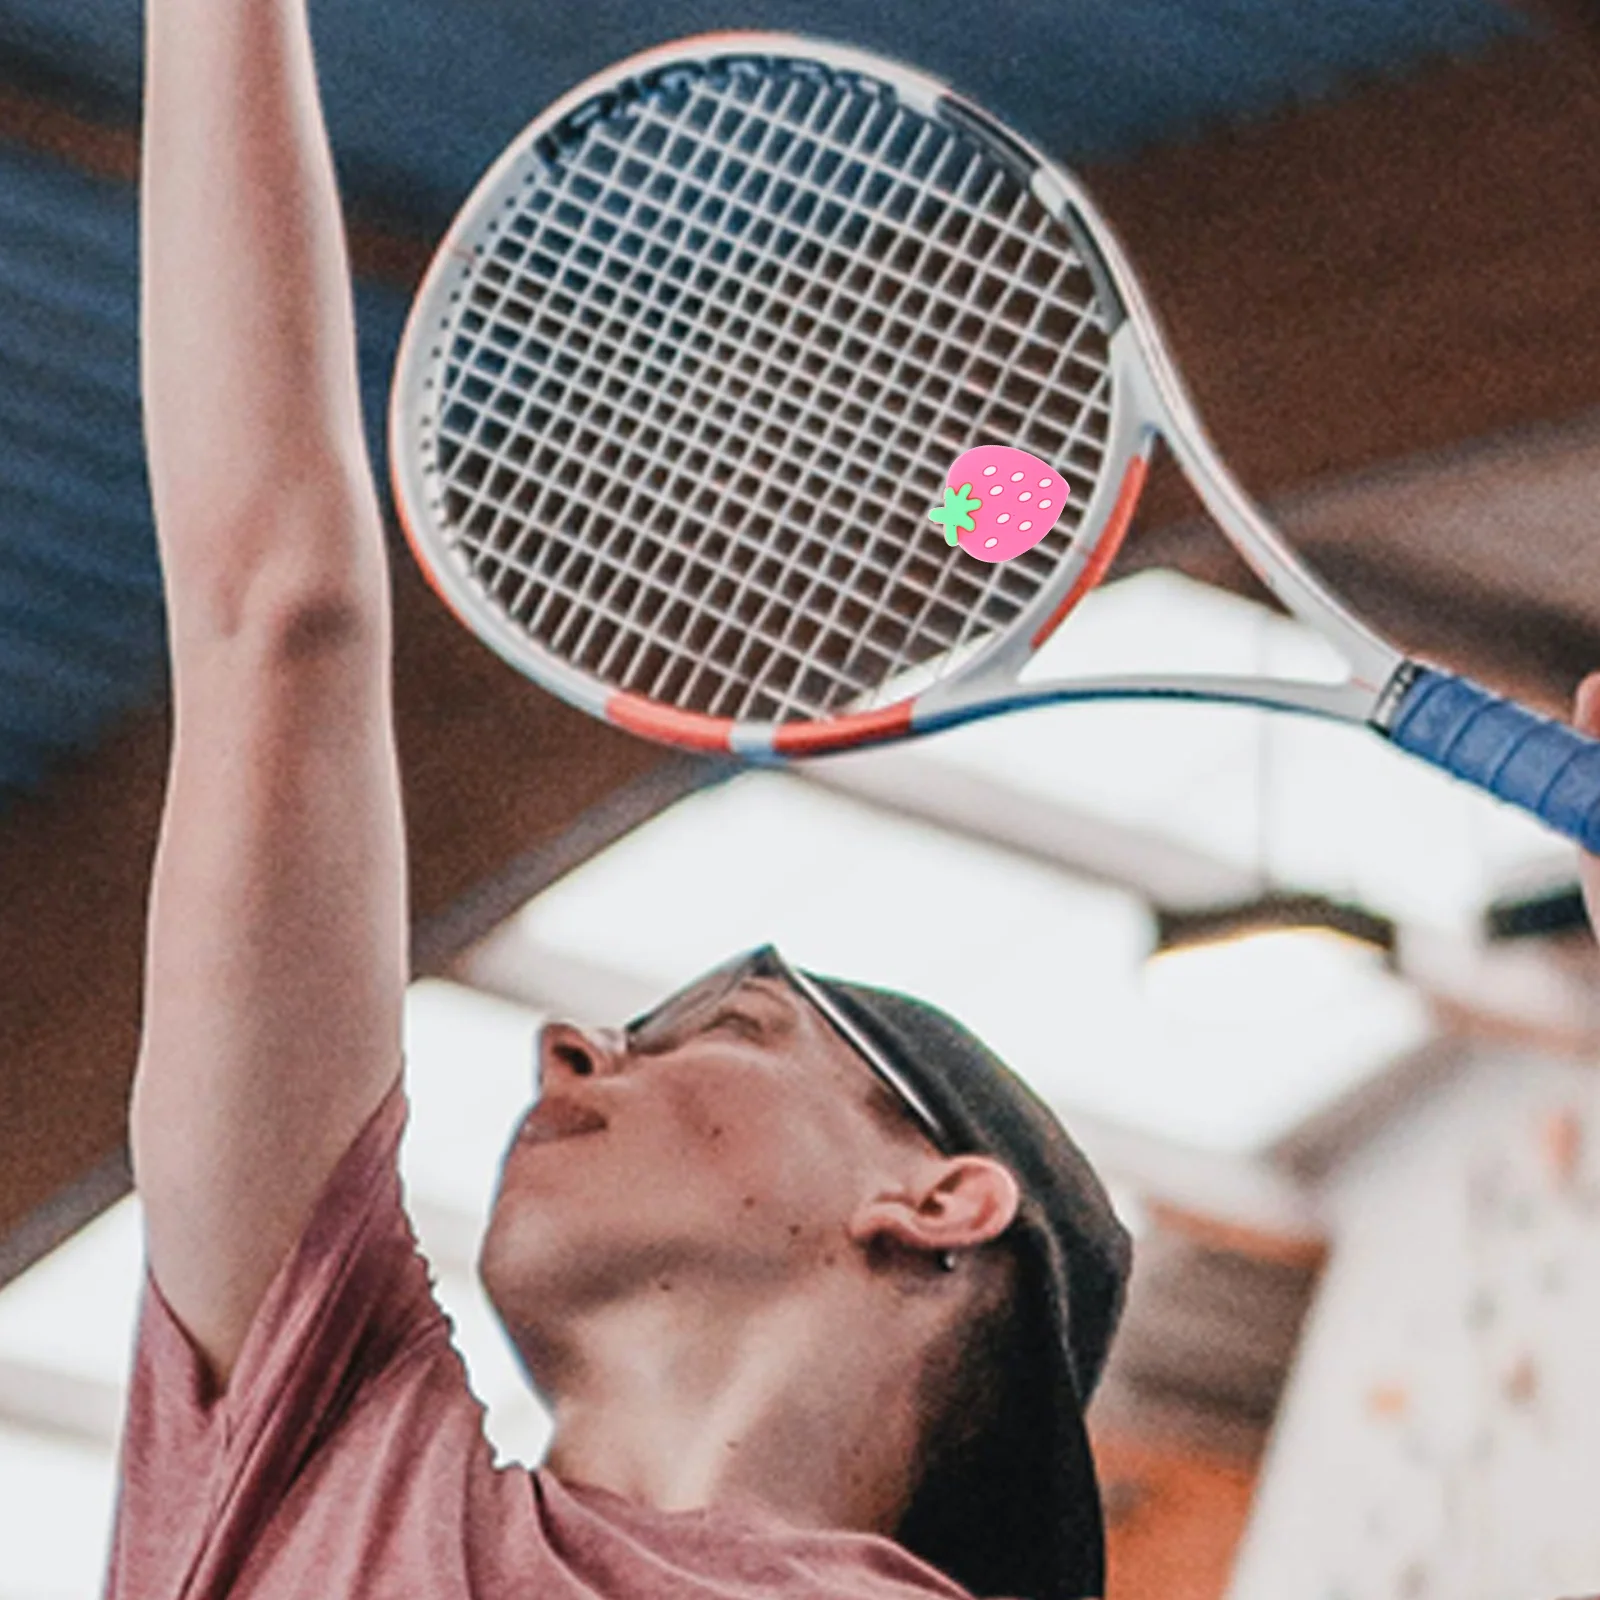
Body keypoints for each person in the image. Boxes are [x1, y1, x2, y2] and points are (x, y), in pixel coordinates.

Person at [105, 4, 1133, 1599]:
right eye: (721, 1029)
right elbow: (274, 618)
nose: (570, 1046)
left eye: (715, 1032)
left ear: (939, 1207)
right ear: (936, 1196)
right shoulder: (317, 1463)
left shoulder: (314, 1486)